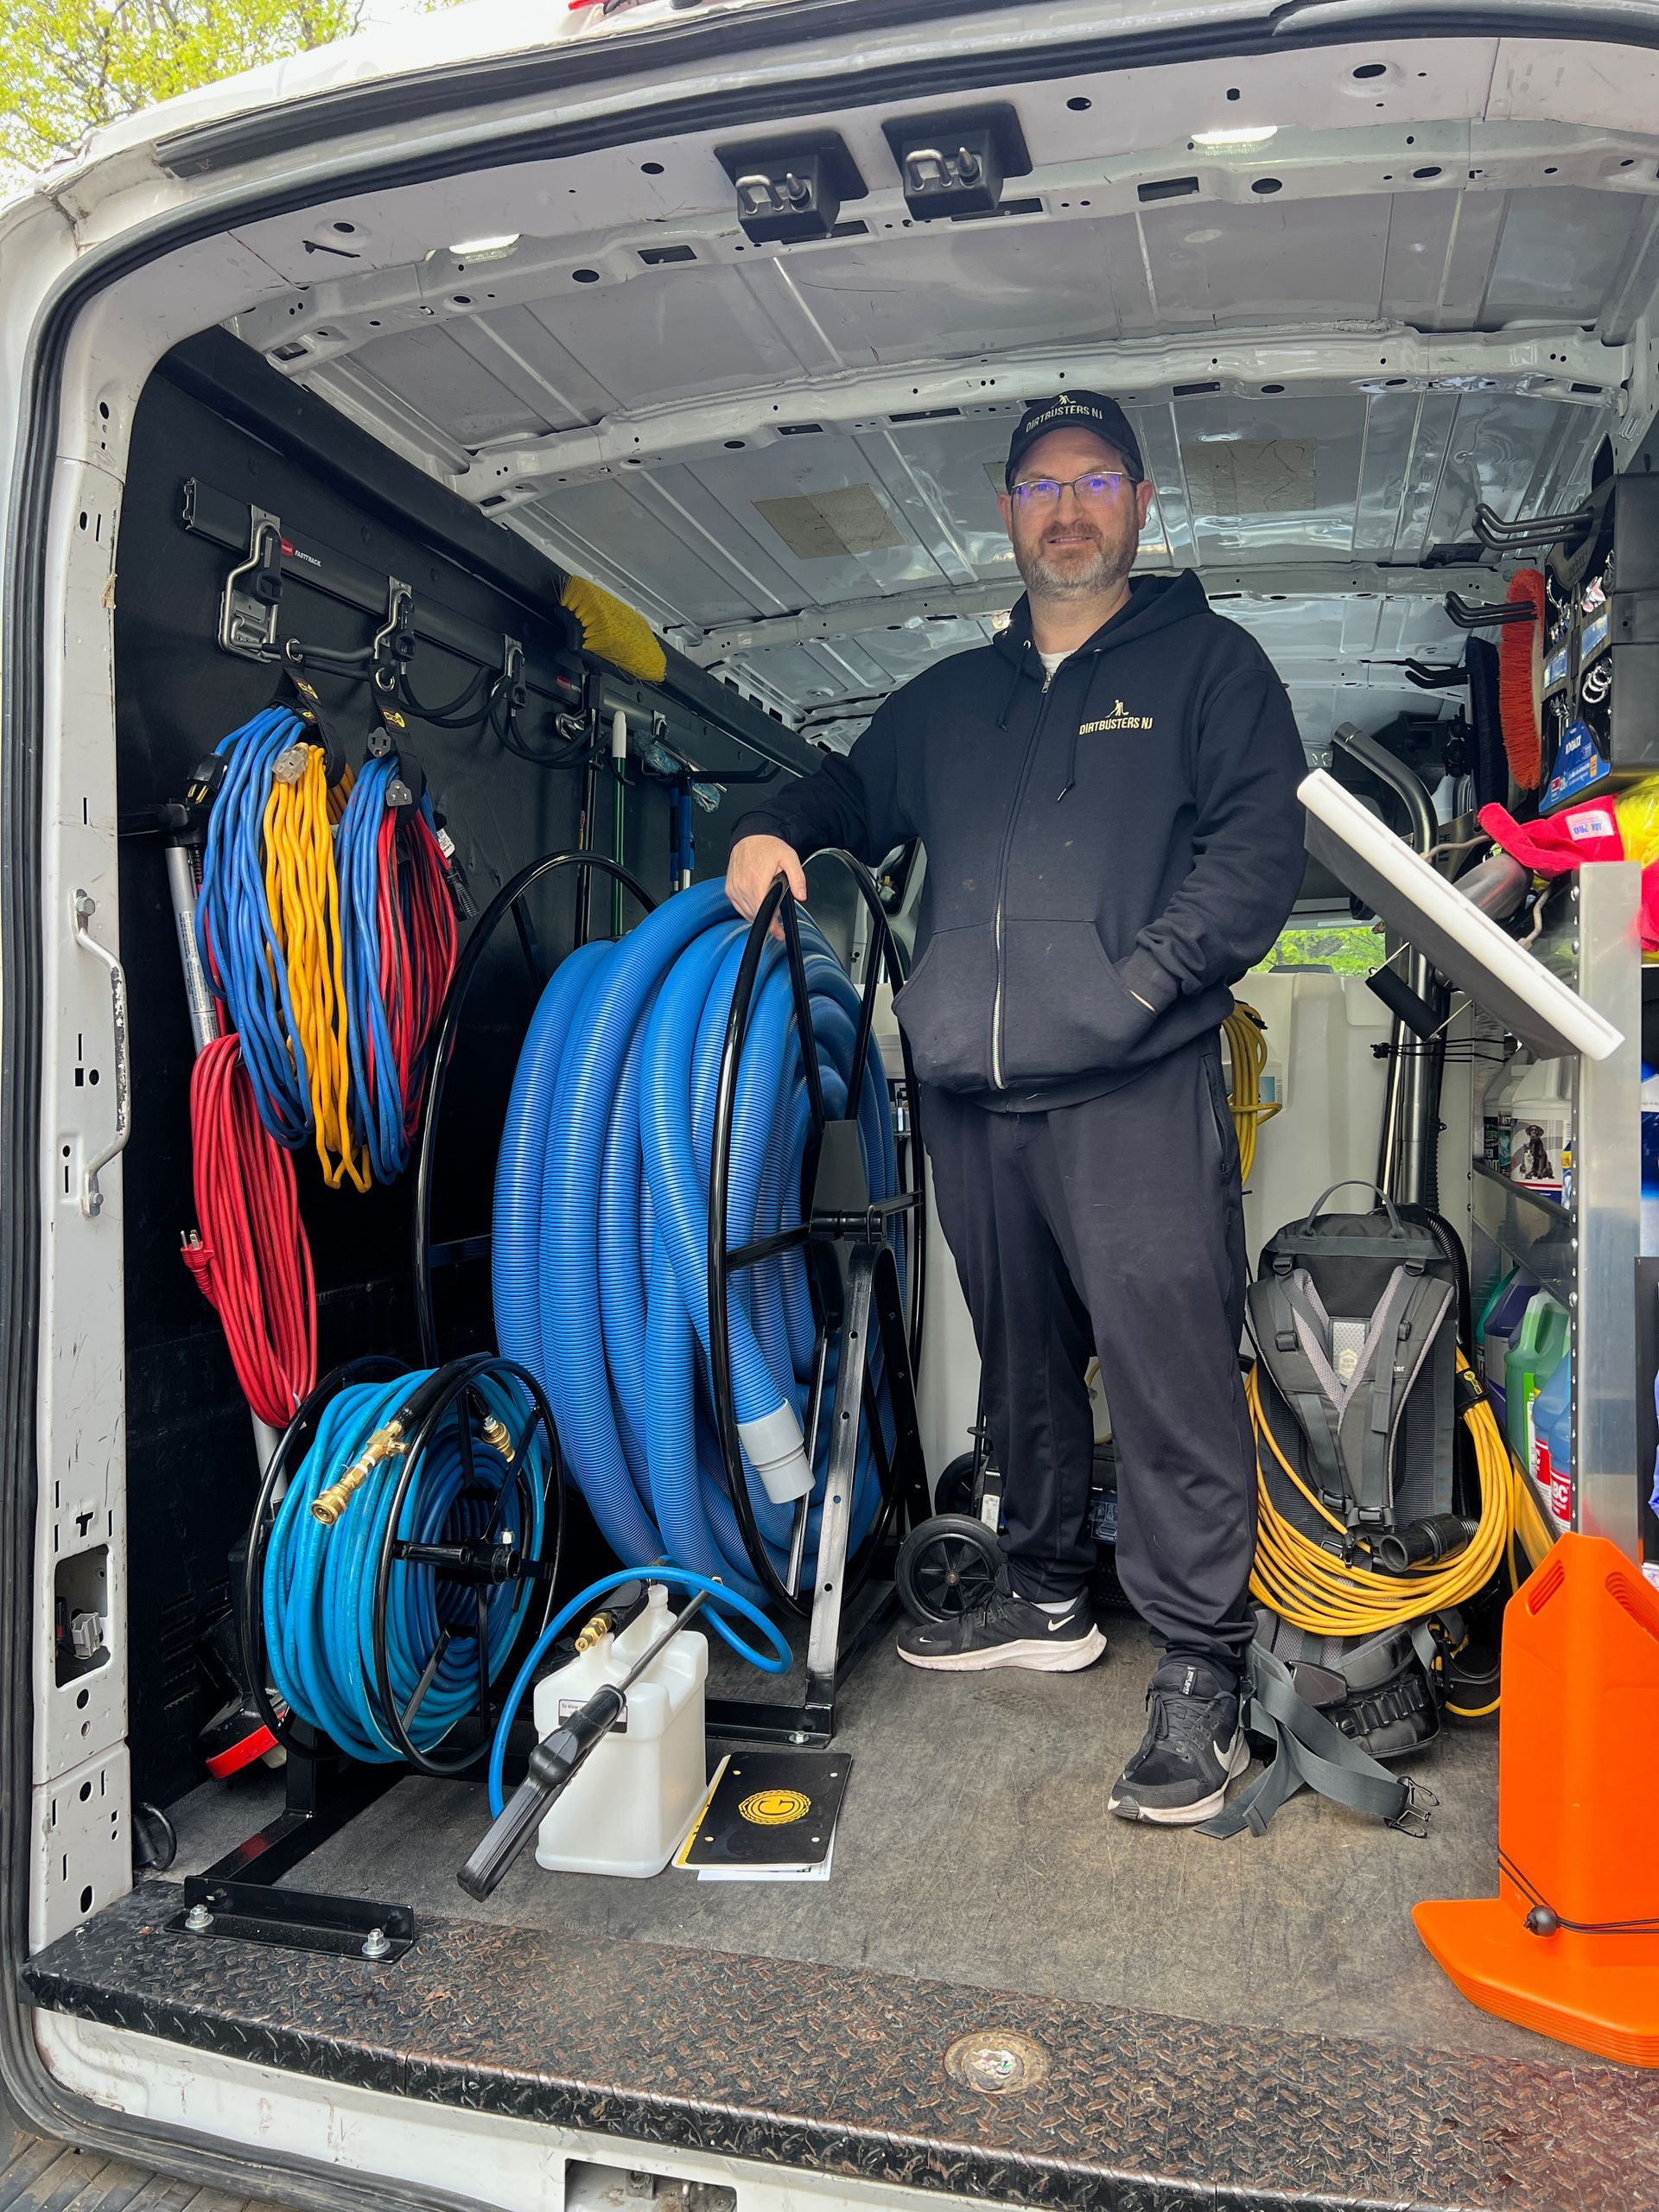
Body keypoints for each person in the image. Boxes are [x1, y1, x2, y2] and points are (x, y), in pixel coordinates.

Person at [724, 392, 1306, 1826]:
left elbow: (1258, 847)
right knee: (1022, 1366)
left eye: (1096, 480)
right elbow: (850, 786)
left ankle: (1202, 1666)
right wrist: (774, 827)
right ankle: (1045, 1592)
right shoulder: (950, 702)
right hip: (978, 1103)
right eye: (1041, 485)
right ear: (1006, 512)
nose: (1069, 507)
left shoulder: (1210, 668)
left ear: (1140, 503)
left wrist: (1140, 986)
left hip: (1133, 1085)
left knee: (1167, 1371)